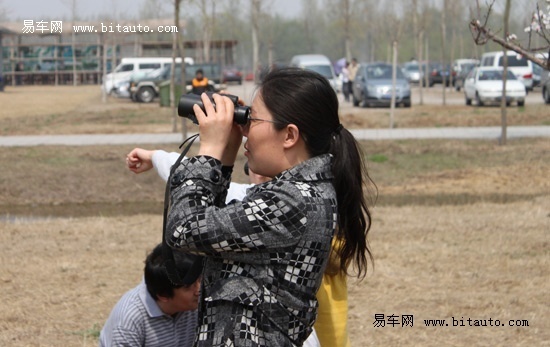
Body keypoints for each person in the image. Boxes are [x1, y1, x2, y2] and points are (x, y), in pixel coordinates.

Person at [144, 67, 374, 346]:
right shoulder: (298, 194)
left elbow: (183, 230)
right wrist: (226, 156)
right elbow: (210, 235)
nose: (246, 129)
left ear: (289, 135)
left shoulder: (294, 202)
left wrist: (210, 150)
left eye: (253, 118)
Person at [126, 149, 321, 347]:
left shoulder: (263, 205)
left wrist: (212, 144)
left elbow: (187, 212)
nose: (260, 175)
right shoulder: (312, 197)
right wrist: (155, 157)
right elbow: (192, 174)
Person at [99, 243, 203, 347]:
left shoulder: (198, 301)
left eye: (199, 279)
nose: (199, 290)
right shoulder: (128, 323)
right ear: (163, 295)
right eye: (188, 287)